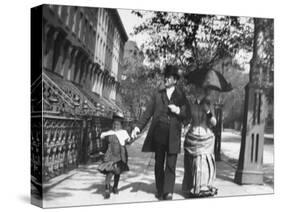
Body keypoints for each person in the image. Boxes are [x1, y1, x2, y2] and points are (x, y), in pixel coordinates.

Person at [131, 65, 190, 200]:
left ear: (175, 80)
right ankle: (160, 189)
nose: (166, 79)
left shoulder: (181, 95)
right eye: (165, 76)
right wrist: (137, 128)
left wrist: (178, 110)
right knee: (158, 163)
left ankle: (168, 191)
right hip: (159, 134)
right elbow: (148, 112)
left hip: (173, 135)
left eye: (169, 77)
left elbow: (188, 114)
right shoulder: (158, 94)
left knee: (171, 164)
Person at [182, 86, 217, 198]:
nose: (198, 92)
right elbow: (187, 120)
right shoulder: (191, 106)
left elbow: (214, 123)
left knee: (201, 162)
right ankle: (192, 186)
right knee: (193, 163)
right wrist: (183, 124)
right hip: (192, 136)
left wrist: (207, 111)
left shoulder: (209, 104)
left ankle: (202, 187)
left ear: (204, 92)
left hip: (205, 137)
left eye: (200, 91)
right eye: (196, 90)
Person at [97, 112, 131, 199]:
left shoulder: (123, 133)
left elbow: (127, 141)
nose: (116, 126)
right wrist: (102, 151)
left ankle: (115, 186)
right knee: (109, 172)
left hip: (119, 156)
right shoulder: (109, 133)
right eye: (114, 124)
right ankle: (107, 188)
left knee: (117, 172)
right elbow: (105, 143)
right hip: (110, 156)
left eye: (118, 124)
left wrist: (127, 140)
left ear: (121, 125)